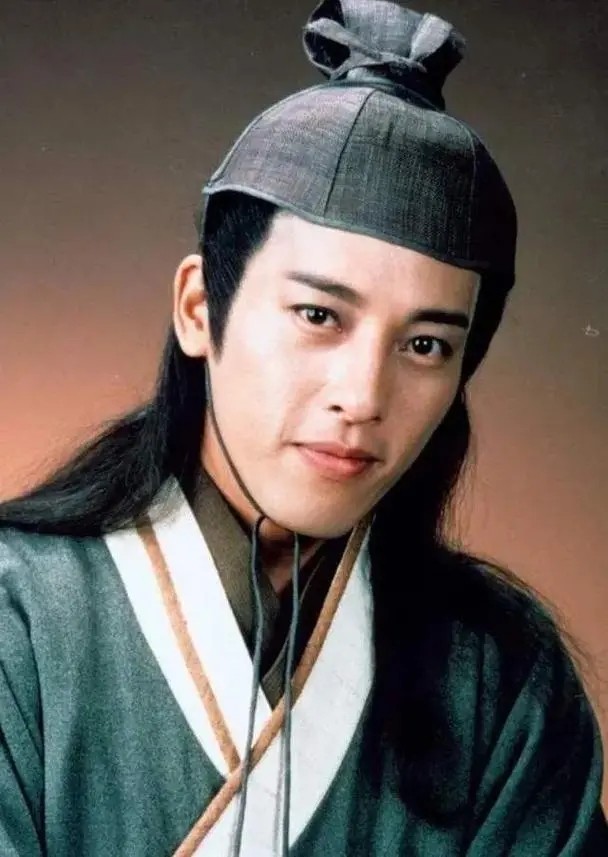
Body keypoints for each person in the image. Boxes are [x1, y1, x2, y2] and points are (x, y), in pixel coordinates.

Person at [0, 1, 606, 854]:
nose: (364, 394)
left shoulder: (503, 679)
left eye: (426, 345)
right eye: (319, 315)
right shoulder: (17, 619)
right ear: (200, 307)